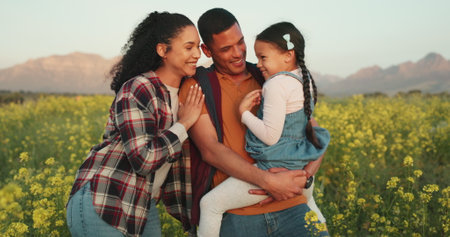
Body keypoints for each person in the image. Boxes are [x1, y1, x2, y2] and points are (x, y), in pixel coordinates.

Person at [179, 8, 328, 237]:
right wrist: (269, 182)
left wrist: (305, 178)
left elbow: (312, 129)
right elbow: (210, 150)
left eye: (240, 42)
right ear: (207, 50)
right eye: (226, 49)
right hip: (239, 217)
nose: (238, 53)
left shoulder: (269, 75)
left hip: (292, 205)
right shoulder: (197, 86)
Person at [66, 11, 204, 237]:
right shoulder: (139, 88)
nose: (197, 54)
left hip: (141, 205)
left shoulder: (186, 94)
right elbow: (144, 159)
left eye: (198, 46)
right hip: (105, 199)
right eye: (189, 47)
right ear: (163, 51)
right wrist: (185, 123)